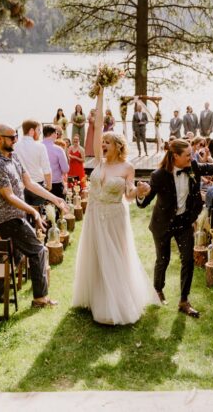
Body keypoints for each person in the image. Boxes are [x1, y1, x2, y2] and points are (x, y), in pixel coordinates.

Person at [136, 139, 213, 318]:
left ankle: (184, 301)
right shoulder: (159, 175)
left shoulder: (193, 167)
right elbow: (143, 203)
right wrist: (141, 194)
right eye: (187, 155)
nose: (191, 158)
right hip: (163, 224)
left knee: (188, 260)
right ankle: (158, 290)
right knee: (163, 260)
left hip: (184, 222)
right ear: (175, 156)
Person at [72, 86, 159, 325]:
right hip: (93, 214)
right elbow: (98, 123)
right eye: (102, 141)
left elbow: (128, 195)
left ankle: (115, 302)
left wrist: (139, 191)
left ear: (118, 146)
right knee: (96, 255)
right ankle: (95, 297)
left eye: (107, 142)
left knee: (115, 256)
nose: (103, 144)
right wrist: (101, 94)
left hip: (114, 215)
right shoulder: (99, 161)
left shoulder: (127, 167)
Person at [0, 124, 67, 309]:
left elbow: (29, 183)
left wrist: (55, 198)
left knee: (15, 255)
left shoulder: (13, 156)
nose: (15, 140)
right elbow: (9, 196)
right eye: (12, 137)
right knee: (38, 251)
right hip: (6, 218)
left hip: (14, 215)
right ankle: (40, 299)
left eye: (16, 136)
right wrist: (33, 211)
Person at [15, 120, 52, 206]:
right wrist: (49, 186)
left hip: (21, 186)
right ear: (32, 131)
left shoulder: (15, 146)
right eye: (38, 130)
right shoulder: (40, 146)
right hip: (37, 186)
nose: (40, 133)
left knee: (24, 213)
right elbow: (46, 169)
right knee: (38, 213)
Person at [42, 124, 69, 198]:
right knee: (59, 205)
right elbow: (65, 169)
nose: (57, 135)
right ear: (53, 134)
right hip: (56, 185)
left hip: (39, 185)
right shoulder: (58, 149)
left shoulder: (37, 147)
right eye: (56, 133)